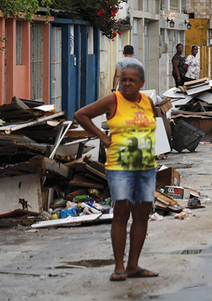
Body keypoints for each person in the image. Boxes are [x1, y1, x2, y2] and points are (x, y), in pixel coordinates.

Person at [73, 63, 158, 282]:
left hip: (146, 166)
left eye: (131, 80)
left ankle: (133, 265)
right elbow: (81, 115)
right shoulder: (114, 100)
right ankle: (119, 267)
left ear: (141, 83)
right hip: (120, 167)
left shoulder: (147, 102)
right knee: (121, 212)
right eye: (124, 80)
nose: (126, 83)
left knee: (142, 215)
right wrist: (102, 136)